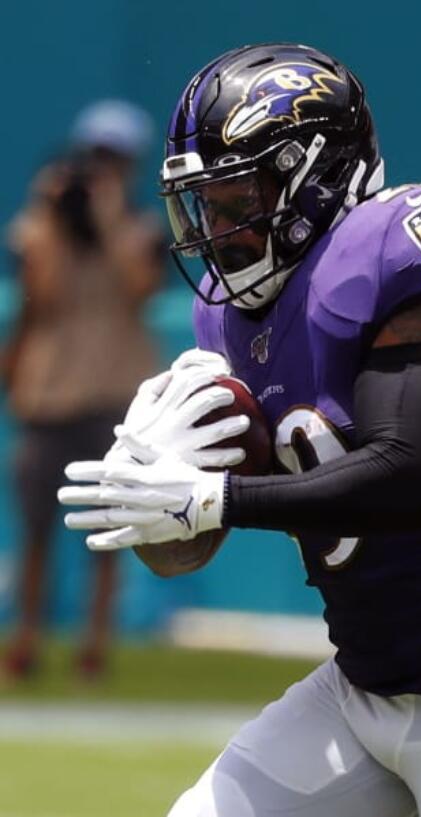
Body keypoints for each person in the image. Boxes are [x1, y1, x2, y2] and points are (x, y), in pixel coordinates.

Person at [59, 44, 421, 816]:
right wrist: (159, 494)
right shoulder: (226, 311)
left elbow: (405, 470)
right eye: (204, 207)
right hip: (361, 688)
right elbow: (185, 549)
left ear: (314, 175)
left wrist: (216, 497)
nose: (219, 230)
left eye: (237, 200)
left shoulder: (402, 244)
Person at [2, 99, 163, 682]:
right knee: (36, 530)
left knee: (106, 533)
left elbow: (140, 290)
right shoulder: (40, 228)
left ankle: (93, 648)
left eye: (113, 160)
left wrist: (110, 222)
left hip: (113, 399)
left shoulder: (138, 229)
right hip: (47, 397)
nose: (101, 170)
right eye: (96, 157)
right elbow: (38, 298)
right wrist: (53, 222)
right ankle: (25, 641)